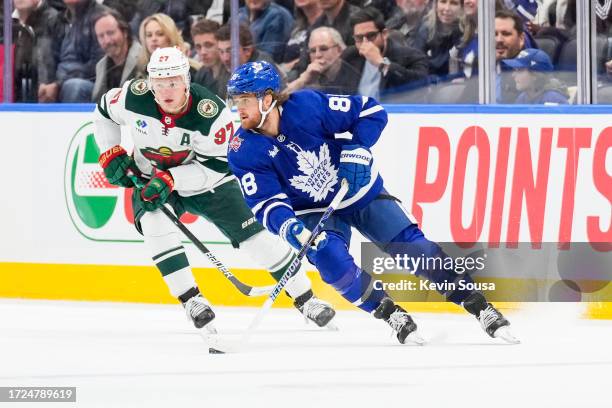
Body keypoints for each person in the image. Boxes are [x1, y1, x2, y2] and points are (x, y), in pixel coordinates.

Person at [226, 60, 518, 344]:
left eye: (244, 99)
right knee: (331, 260)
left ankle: (477, 304)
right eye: (235, 100)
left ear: (268, 99)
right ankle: (391, 313)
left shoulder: (306, 106)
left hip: (357, 190)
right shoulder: (242, 150)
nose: (238, 108)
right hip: (312, 210)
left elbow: (370, 110)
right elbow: (265, 203)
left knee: (416, 250)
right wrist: (290, 227)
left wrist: (357, 147)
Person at [93, 47, 335, 332]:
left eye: (173, 82)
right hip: (151, 181)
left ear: (186, 79)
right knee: (154, 224)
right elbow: (103, 112)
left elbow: (216, 168)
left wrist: (171, 179)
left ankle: (306, 299)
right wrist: (109, 152)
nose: (167, 90)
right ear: (150, 82)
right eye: (159, 83)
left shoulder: (210, 113)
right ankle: (192, 300)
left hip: (209, 183)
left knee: (257, 238)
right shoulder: (134, 95)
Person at [339, 7, 429, 101]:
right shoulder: (349, 56)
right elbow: (337, 90)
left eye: (371, 36)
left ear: (384, 34)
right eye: (359, 38)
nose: (365, 43)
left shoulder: (411, 56)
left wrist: (381, 63)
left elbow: (420, 85)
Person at [285, 26, 357, 94]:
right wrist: (302, 80)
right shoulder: (310, 77)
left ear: (339, 50)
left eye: (323, 49)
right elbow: (278, 99)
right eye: (313, 51)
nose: (317, 55)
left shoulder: (354, 73)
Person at [92, 8, 143, 103]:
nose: (107, 40)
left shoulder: (144, 58)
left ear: (125, 32)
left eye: (110, 33)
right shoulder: (100, 66)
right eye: (101, 36)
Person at [135, 13, 201, 79]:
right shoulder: (140, 71)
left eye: (160, 34)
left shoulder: (191, 72)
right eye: (149, 35)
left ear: (171, 37)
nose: (154, 39)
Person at [502, 48, 568, 104]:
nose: (513, 75)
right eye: (514, 70)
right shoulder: (522, 97)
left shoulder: (553, 99)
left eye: (519, 70)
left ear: (536, 75)